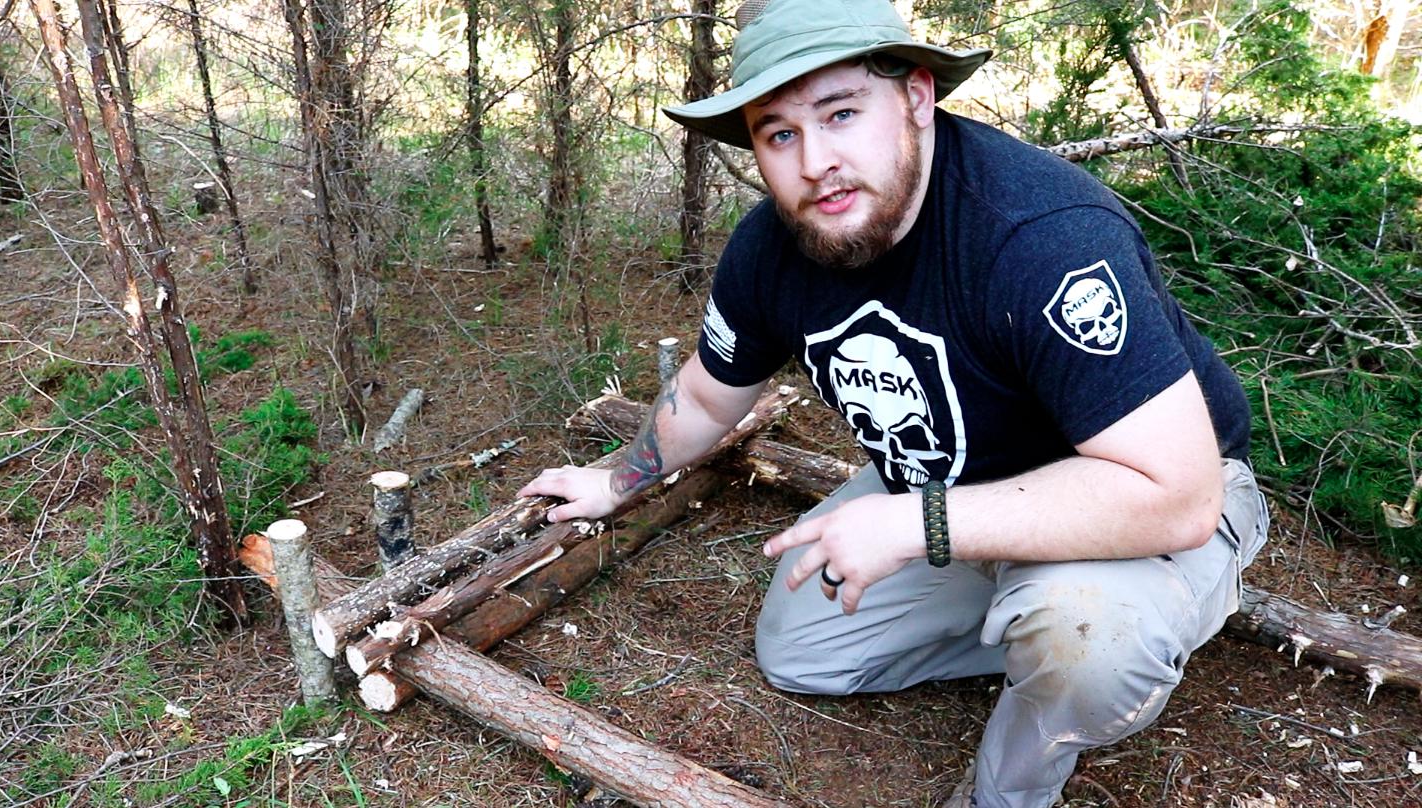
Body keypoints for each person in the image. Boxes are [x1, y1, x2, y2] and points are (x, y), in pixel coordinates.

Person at [518, 1, 1269, 805]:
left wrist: (915, 525)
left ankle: (1026, 757)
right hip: (948, 481)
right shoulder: (770, 249)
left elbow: (1178, 493)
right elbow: (706, 395)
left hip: (1136, 498)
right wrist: (611, 483)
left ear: (915, 95)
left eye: (841, 113)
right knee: (804, 654)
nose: (815, 163)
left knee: (1090, 640)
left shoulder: (1040, 237)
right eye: (780, 133)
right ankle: (1028, 621)